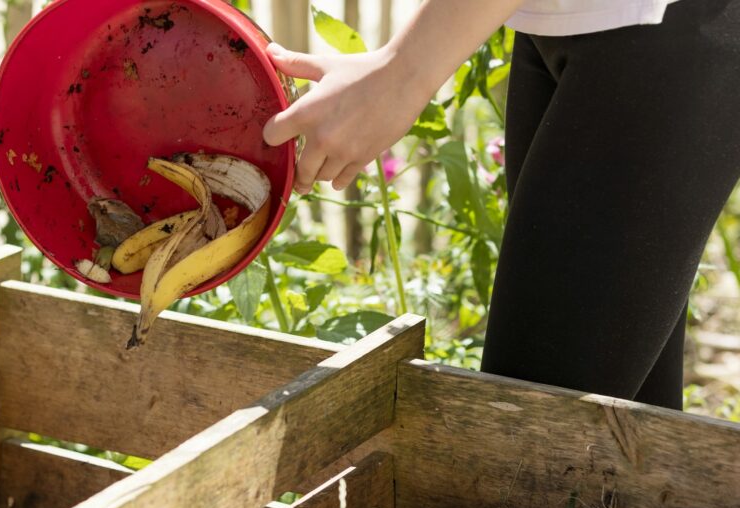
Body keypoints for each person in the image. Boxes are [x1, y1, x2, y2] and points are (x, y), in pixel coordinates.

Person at [263, 0, 740, 410]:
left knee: (520, 441)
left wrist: (402, 72)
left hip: (664, 31)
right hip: (557, 25)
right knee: (623, 445)